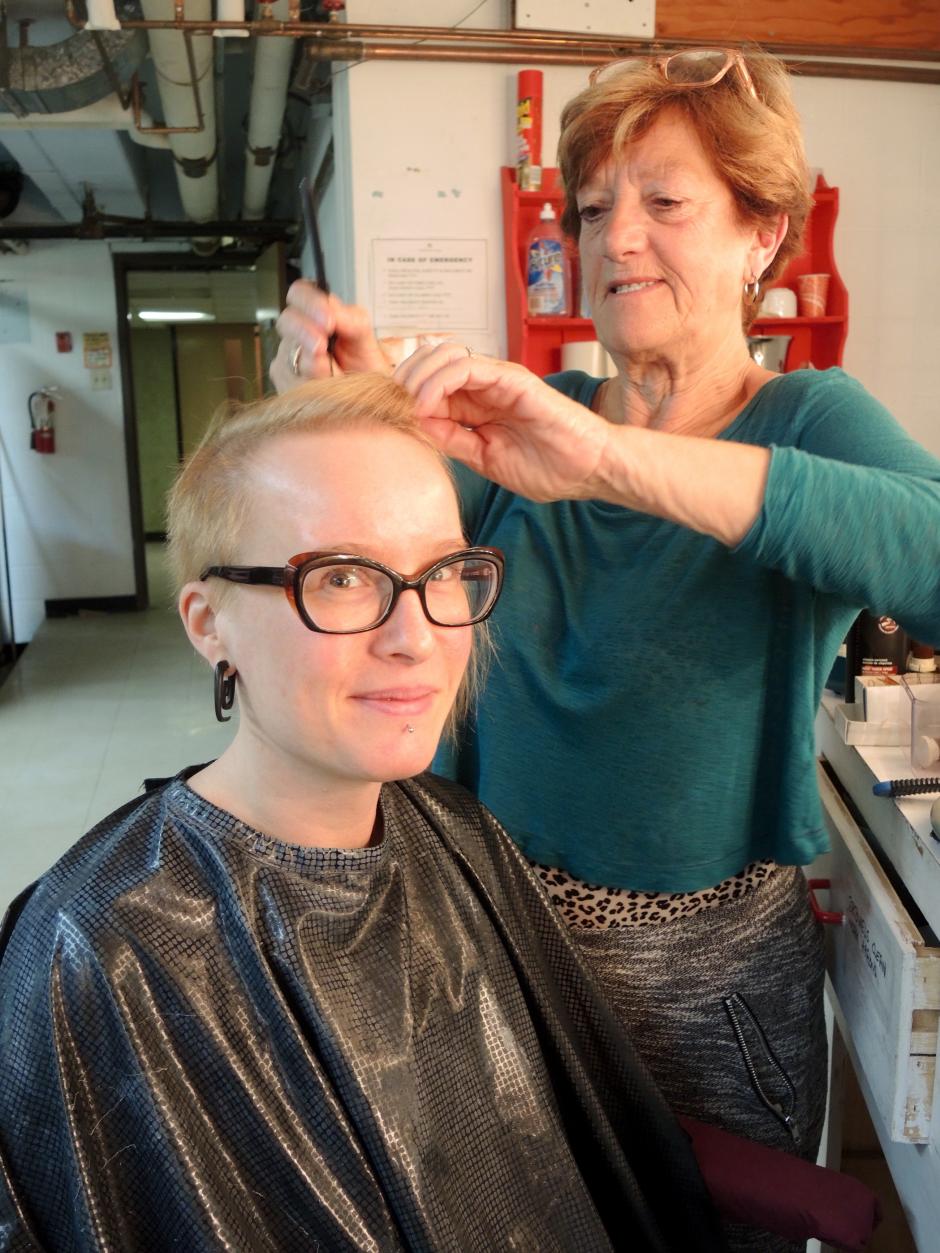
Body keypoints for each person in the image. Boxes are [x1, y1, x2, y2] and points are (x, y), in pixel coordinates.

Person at [271, 47, 940, 1253]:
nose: (616, 236)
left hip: (711, 985)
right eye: (593, 209)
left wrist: (602, 457)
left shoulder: (805, 420)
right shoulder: (528, 413)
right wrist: (324, 416)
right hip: (499, 948)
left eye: (666, 202)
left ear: (762, 234)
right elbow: (349, 571)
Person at [0, 375, 737, 1252]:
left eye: (442, 572)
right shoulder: (97, 948)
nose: (416, 635)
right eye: (342, 576)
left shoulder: (458, 832)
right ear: (209, 623)